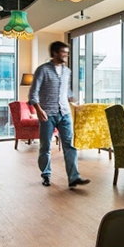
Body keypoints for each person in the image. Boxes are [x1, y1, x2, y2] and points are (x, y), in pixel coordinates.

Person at [29, 41, 90, 188]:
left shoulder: (67, 71)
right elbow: (33, 92)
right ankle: (46, 175)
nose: (66, 55)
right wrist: (38, 109)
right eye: (64, 52)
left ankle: (74, 178)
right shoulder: (42, 70)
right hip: (47, 114)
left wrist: (73, 100)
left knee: (69, 145)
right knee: (45, 147)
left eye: (67, 53)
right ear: (55, 53)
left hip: (65, 113)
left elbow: (65, 91)